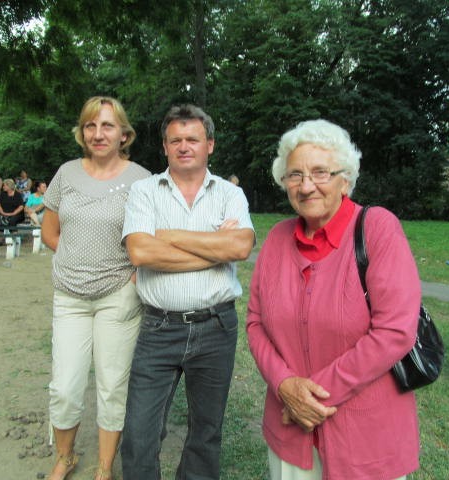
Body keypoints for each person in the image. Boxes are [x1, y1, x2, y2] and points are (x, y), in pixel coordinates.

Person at [246, 119, 421, 480]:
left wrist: (310, 399)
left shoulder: (378, 228)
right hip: (290, 434)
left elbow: (395, 331)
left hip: (366, 439)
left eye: (320, 172)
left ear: (345, 179)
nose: (306, 185)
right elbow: (255, 323)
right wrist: (284, 385)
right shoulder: (277, 239)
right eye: (295, 175)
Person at [120, 104, 255, 480]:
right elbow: (141, 253)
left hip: (216, 326)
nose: (184, 146)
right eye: (175, 140)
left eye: (192, 139)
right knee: (139, 434)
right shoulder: (144, 191)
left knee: (206, 432)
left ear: (209, 144)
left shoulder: (229, 193)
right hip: (159, 327)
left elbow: (240, 247)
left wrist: (168, 235)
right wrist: (214, 247)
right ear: (164, 146)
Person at [41, 96, 151, 480]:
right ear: (82, 132)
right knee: (65, 386)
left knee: (111, 385)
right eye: (91, 125)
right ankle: (65, 457)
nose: (98, 134)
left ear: (124, 134)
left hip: (117, 296)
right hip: (69, 296)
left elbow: (150, 237)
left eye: (107, 126)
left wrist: (134, 275)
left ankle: (104, 467)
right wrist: (76, 260)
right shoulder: (66, 173)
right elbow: (50, 232)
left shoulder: (141, 180)